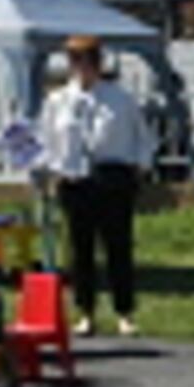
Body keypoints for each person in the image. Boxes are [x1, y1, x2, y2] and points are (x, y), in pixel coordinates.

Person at [36, 36, 152, 337]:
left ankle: (124, 312)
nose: (84, 67)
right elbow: (46, 140)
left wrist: (140, 166)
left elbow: (142, 136)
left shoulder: (120, 99)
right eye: (77, 60)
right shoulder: (58, 101)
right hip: (75, 179)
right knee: (80, 250)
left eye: (90, 60)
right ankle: (85, 311)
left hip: (112, 175)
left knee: (118, 247)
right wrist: (52, 171)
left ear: (100, 64)